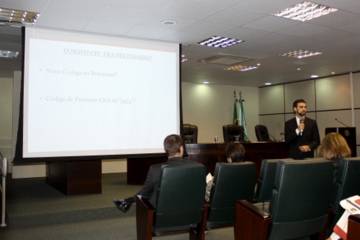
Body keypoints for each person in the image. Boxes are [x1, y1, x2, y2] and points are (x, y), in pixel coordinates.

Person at [113, 134, 199, 213]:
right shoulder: (197, 167)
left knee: (149, 192)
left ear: (166, 150)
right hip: (190, 215)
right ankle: (127, 201)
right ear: (181, 149)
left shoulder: (155, 169)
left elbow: (145, 194)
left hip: (161, 216)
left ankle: (127, 201)